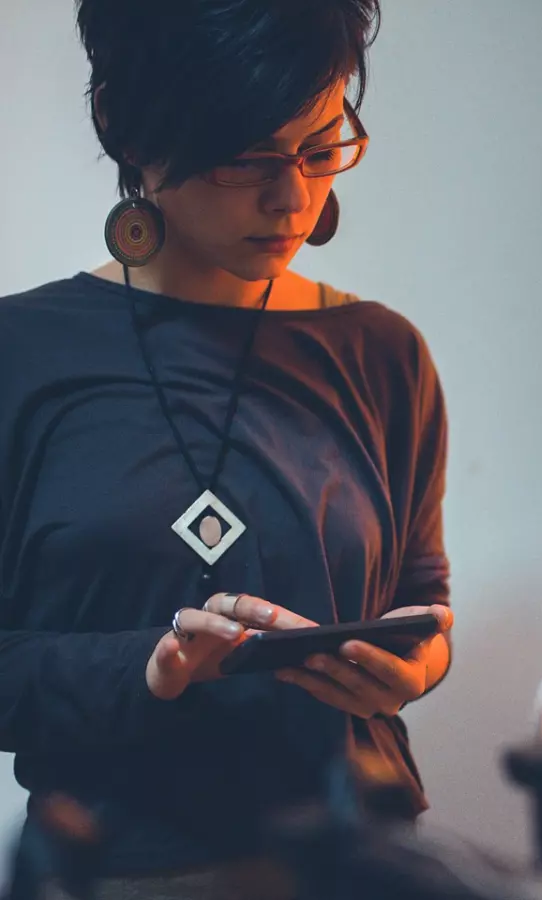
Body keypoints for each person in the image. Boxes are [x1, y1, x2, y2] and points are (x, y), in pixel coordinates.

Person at [0, 1, 453, 896]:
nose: (292, 198)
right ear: (123, 125)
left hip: (360, 861)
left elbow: (424, 603)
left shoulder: (382, 352)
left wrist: (411, 667)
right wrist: (149, 666)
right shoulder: (22, 354)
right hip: (118, 870)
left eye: (320, 151)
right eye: (245, 159)